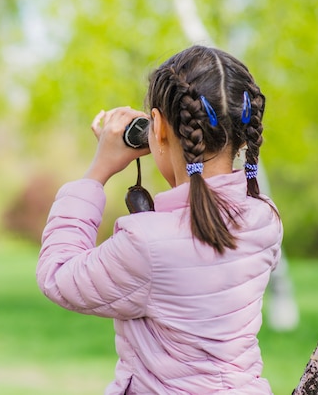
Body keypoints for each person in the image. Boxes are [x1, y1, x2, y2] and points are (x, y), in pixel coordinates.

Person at [36, 45, 283, 394]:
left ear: (160, 128)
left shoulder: (146, 244)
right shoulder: (264, 220)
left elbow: (58, 275)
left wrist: (98, 171)